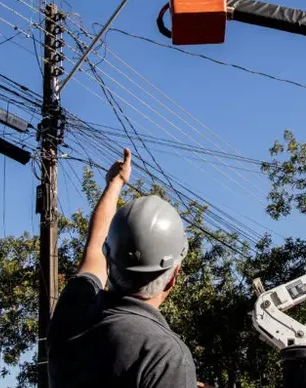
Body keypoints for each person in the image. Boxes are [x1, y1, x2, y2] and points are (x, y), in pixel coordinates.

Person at [47, 148, 196, 387]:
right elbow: (98, 249)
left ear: (110, 258)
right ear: (172, 277)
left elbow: (95, 248)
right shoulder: (163, 355)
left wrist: (114, 183)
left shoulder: (73, 312)